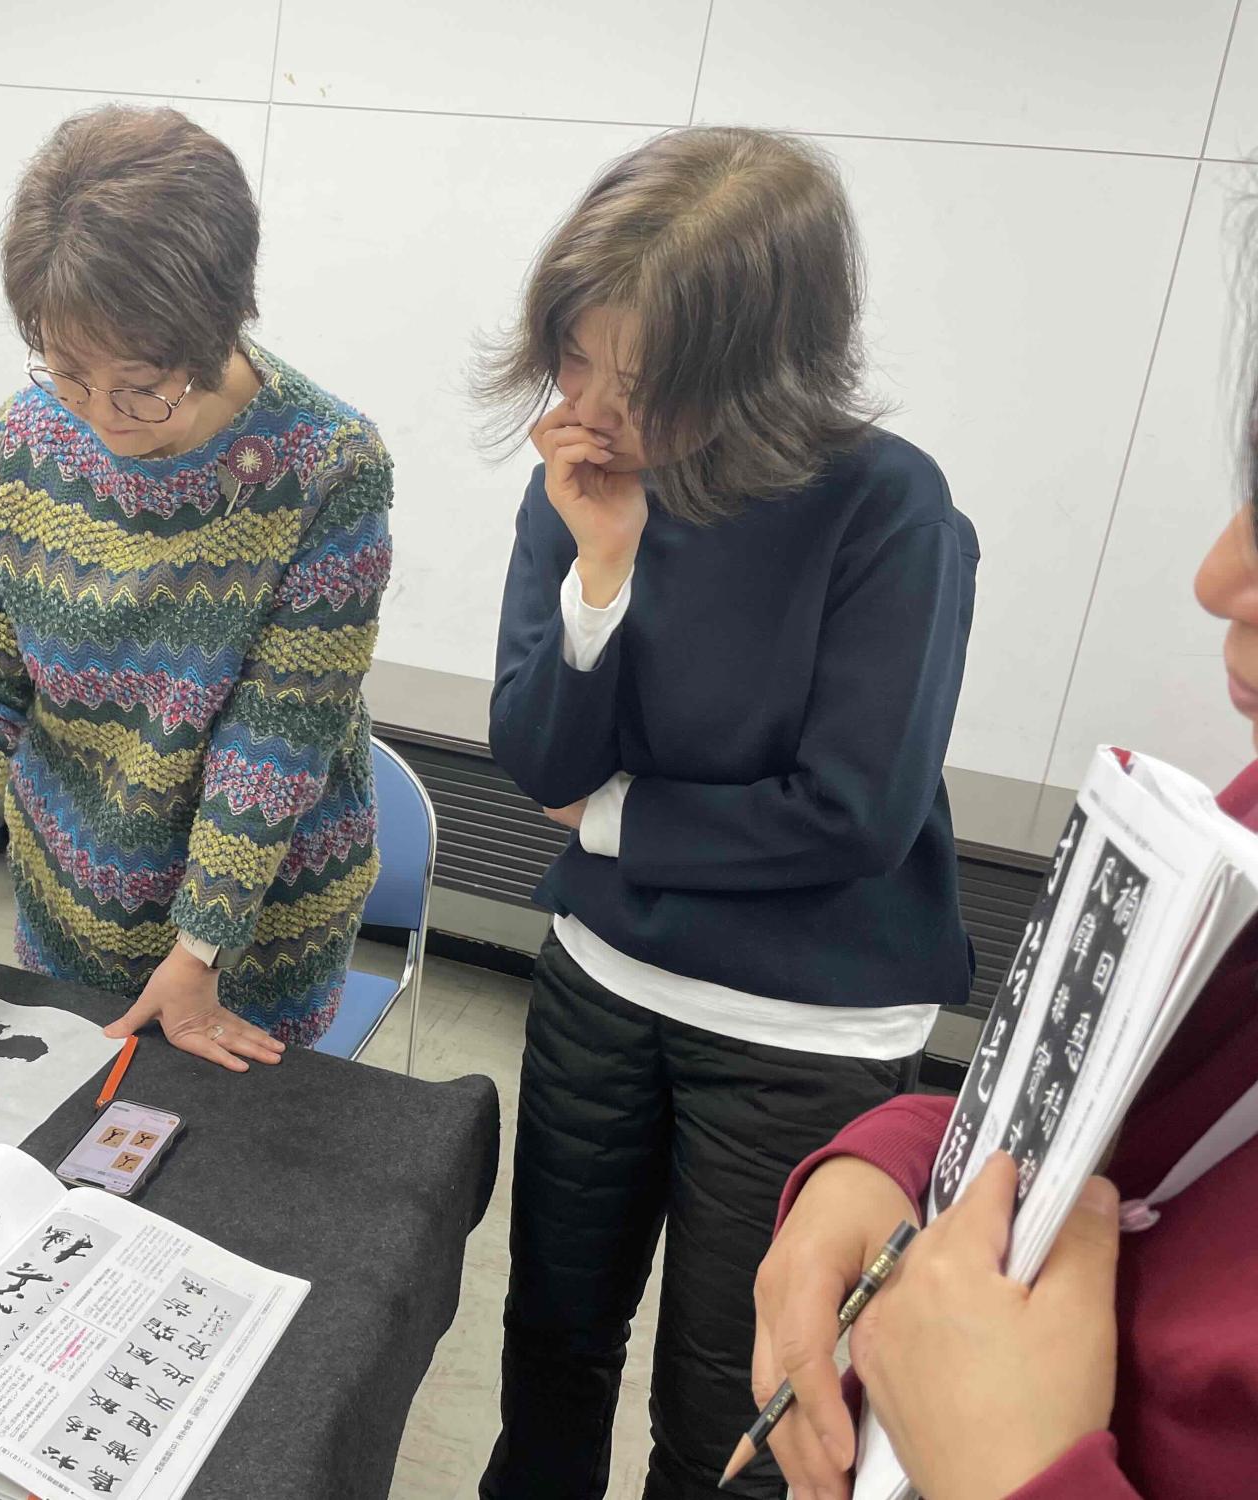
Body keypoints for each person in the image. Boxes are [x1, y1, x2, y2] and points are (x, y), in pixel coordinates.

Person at [481, 127, 980, 1499]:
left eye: (642, 383)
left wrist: (612, 824)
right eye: (574, 359)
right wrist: (602, 565)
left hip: (802, 1032)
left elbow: (851, 815)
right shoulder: (583, 481)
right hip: (602, 978)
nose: (591, 409)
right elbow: (536, 755)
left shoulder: (889, 510)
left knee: (730, 1414)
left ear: (764, 367)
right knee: (550, 1344)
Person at [752, 243, 1258, 1500]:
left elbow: (842, 815)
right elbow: (1111, 1123)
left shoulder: (894, 510)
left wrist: (1009, 1475)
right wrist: (882, 1162)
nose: (1214, 581)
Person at [0, 105, 392, 1069]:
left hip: (254, 932)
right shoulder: (21, 445)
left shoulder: (327, 465)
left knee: (235, 1147)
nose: (104, 416)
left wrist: (202, 948)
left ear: (218, 324)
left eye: (143, 383)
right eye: (69, 374)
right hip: (69, 897)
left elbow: (278, 736)